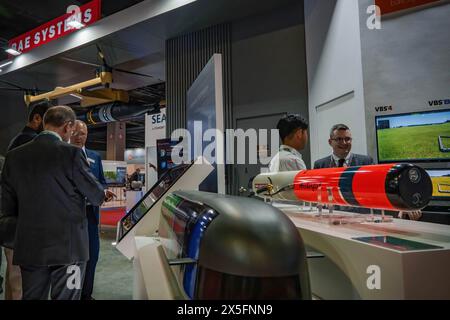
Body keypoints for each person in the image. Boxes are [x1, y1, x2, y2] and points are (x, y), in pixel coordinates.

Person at [0, 106, 107, 300]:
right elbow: (96, 195)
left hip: (30, 248)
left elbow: (7, 207)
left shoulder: (14, 157)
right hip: (69, 249)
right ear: (67, 127)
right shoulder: (72, 154)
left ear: (43, 123)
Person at [1, 101, 52, 300]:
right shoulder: (28, 143)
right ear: (37, 119)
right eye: (49, 122)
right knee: (21, 284)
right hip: (23, 225)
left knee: (12, 280)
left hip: (13, 223)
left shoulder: (18, 141)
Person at [70, 120, 115, 300]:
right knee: (73, 259)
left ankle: (86, 295)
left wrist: (103, 191)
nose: (80, 137)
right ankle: (73, 294)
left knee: (92, 256)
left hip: (91, 215)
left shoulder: (94, 156)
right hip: (71, 216)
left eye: (84, 133)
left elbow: (101, 181)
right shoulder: (64, 155)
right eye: (77, 133)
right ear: (70, 132)